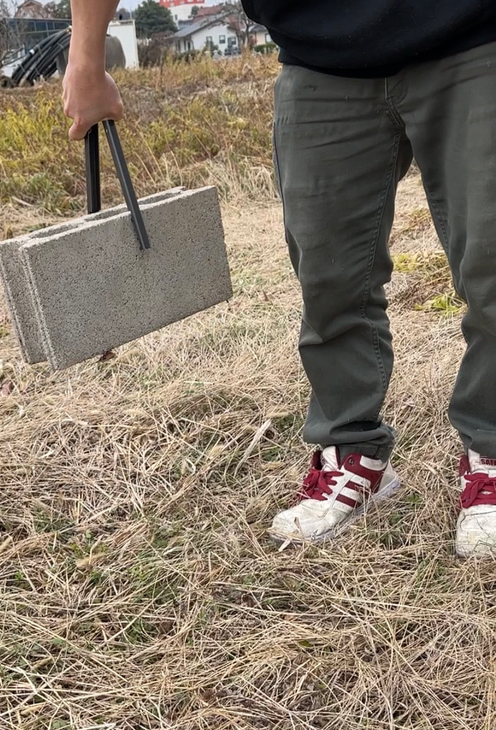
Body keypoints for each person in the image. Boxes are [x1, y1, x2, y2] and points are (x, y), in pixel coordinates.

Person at [63, 0, 496, 558]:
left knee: (491, 264)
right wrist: (85, 59)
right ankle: (351, 454)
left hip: (473, 36)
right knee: (328, 276)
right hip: (319, 53)